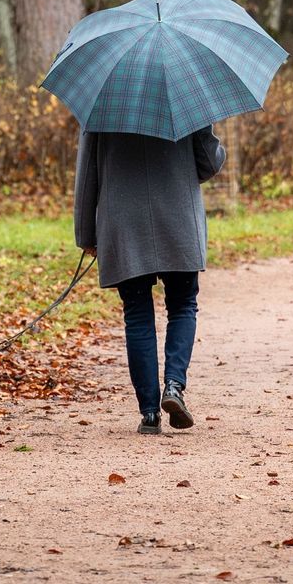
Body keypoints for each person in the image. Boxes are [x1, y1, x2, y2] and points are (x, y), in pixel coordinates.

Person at [73, 125, 227, 434]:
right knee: (183, 305)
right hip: (178, 217)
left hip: (123, 221)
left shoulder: (105, 102)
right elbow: (209, 164)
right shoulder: (185, 97)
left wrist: (86, 233)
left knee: (137, 315)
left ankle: (149, 413)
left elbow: (87, 175)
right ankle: (174, 386)